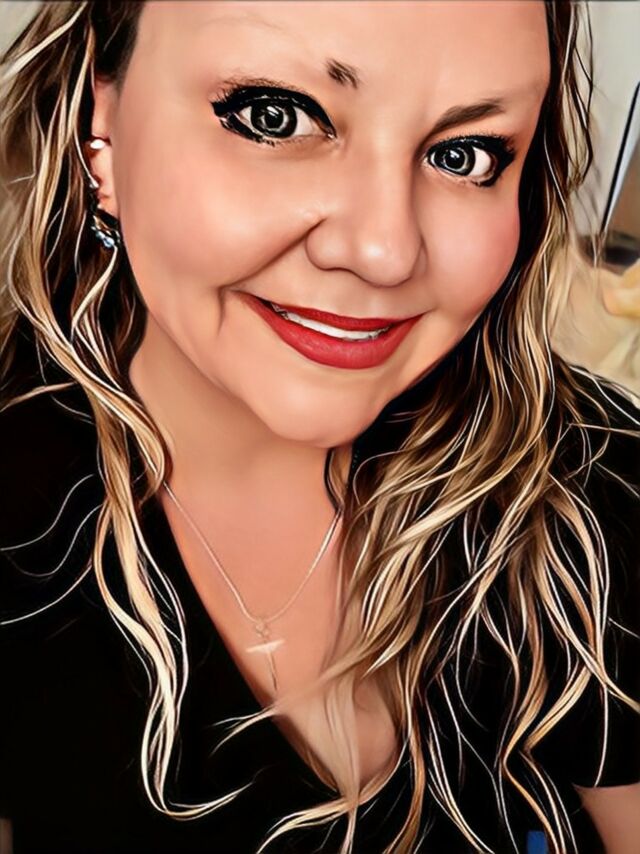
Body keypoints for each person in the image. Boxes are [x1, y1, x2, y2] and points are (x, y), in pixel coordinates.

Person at [0, 1, 638, 852]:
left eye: (465, 154)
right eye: (275, 116)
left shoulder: (595, 490)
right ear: (99, 126)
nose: (384, 252)